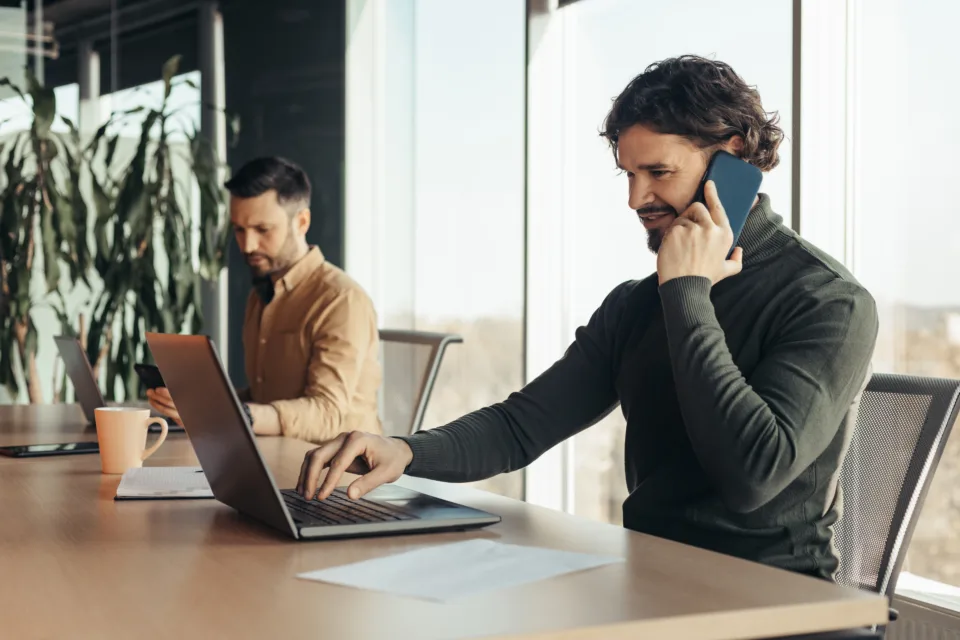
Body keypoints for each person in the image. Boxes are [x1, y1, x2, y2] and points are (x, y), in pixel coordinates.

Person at [296, 56, 879, 579]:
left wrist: (687, 293)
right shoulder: (636, 304)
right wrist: (405, 451)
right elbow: (523, 426)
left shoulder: (829, 303)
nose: (635, 199)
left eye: (658, 172)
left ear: (730, 162)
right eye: (629, 174)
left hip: (772, 601)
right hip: (649, 576)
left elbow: (752, 475)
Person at [148, 156, 382, 443]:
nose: (248, 245)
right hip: (277, 456)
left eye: (262, 229)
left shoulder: (341, 300)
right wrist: (199, 404)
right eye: (239, 229)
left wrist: (233, 414)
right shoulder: (262, 293)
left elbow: (327, 414)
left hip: (341, 475)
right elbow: (266, 399)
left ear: (301, 222)